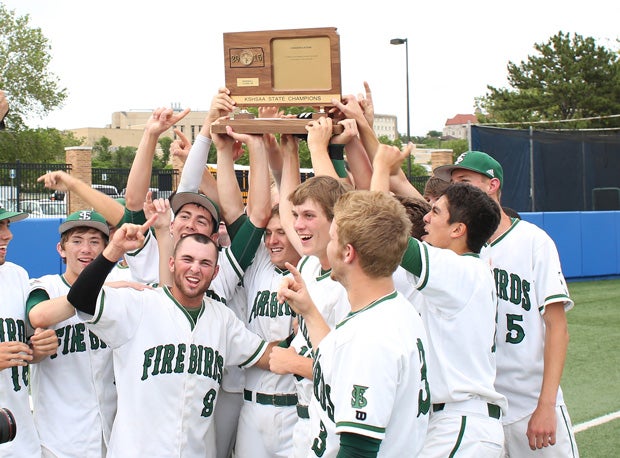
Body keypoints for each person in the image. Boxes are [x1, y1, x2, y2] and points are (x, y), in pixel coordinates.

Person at [65, 220, 275, 457]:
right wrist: (113, 251)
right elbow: (80, 299)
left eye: (205, 263)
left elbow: (266, 355)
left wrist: (305, 335)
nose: (195, 269)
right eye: (188, 260)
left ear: (215, 272)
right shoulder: (140, 303)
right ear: (172, 263)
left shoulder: (222, 320)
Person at [434, 151, 579, 456]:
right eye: (453, 183)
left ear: (492, 185)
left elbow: (557, 327)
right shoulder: (456, 246)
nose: (456, 188)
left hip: (529, 404)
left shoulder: (533, 241)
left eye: (465, 181)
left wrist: (546, 405)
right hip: (479, 410)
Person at [372, 144, 507, 457]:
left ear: (459, 229)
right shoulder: (459, 267)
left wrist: (381, 168)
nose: (426, 218)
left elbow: (381, 230)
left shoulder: (459, 271)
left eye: (435, 212)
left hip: (461, 423)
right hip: (450, 420)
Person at [278, 190, 430, 457]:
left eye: (333, 238)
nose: (328, 246)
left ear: (348, 253)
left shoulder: (370, 336)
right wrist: (311, 313)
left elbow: (358, 450)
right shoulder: (397, 310)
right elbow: (339, 367)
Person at [27, 210, 116, 457]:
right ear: (61, 249)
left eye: (95, 241)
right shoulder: (44, 286)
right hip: (58, 438)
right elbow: (37, 313)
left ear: (106, 250)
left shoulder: (120, 293)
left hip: (109, 432)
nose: (86, 249)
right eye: (77, 241)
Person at [0, 204, 58, 457]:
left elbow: (28, 349)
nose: (7, 234)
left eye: (7, 225)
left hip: (20, 438)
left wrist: (39, 349)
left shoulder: (17, 276)